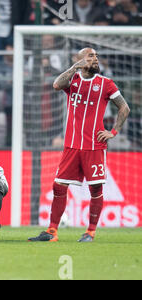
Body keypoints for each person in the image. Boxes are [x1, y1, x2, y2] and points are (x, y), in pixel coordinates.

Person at [28, 48, 130, 243]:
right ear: (80, 60)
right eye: (90, 56)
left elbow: (124, 107)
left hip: (95, 147)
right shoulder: (72, 81)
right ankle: (51, 231)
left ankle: (90, 232)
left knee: (96, 189)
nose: (95, 59)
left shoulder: (106, 83)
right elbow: (56, 84)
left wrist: (113, 132)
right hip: (72, 146)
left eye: (96, 56)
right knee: (58, 186)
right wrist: (75, 67)